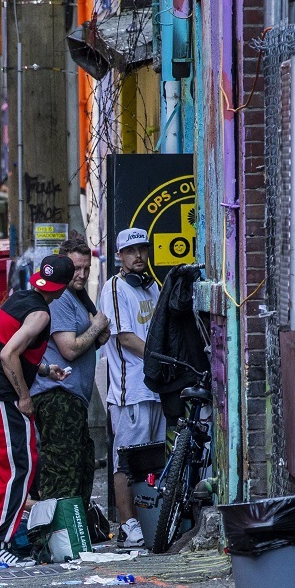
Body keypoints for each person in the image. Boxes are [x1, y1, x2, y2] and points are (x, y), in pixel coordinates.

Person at [0, 254, 75, 565]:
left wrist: (46, 369)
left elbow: (7, 347)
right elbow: (8, 354)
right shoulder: (41, 315)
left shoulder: (19, 299)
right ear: (63, 289)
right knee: (20, 468)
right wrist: (24, 397)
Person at [29, 236, 109, 510]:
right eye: (76, 268)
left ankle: (74, 534)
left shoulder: (78, 297)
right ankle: (56, 537)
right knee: (62, 470)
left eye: (87, 269)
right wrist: (96, 327)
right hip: (57, 395)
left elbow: (101, 336)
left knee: (82, 464)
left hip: (73, 398)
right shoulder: (61, 298)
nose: (82, 275)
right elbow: (70, 349)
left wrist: (96, 329)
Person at [97, 227, 163, 548]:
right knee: (125, 460)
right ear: (120, 256)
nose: (138, 256)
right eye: (131, 251)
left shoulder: (153, 288)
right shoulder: (114, 288)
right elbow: (123, 336)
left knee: (153, 461)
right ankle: (127, 523)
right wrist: (160, 357)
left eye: (143, 249)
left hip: (154, 389)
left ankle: (151, 518)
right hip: (129, 392)